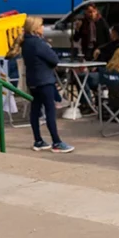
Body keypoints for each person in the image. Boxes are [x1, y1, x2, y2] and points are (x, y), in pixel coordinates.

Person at [8, 16, 74, 153]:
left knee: (35, 110)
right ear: (35, 27)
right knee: (50, 111)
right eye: (42, 25)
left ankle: (38, 140)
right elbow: (54, 59)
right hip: (45, 80)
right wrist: (48, 47)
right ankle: (57, 142)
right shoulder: (38, 43)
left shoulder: (25, 42)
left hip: (32, 80)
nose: (43, 27)